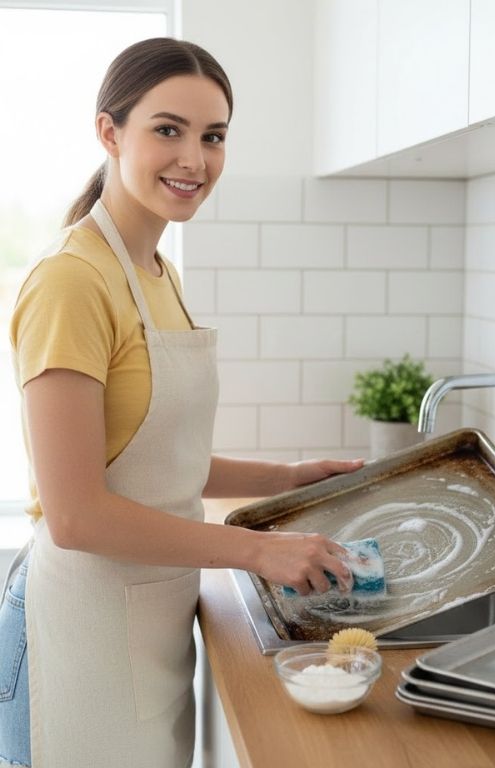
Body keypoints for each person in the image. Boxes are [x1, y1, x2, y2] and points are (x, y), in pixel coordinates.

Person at [0, 38, 366, 767]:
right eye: (167, 129)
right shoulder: (71, 283)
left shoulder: (156, 272)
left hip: (149, 626)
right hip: (79, 635)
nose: (194, 160)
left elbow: (155, 465)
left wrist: (285, 479)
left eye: (213, 136)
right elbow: (76, 515)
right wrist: (257, 548)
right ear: (110, 132)